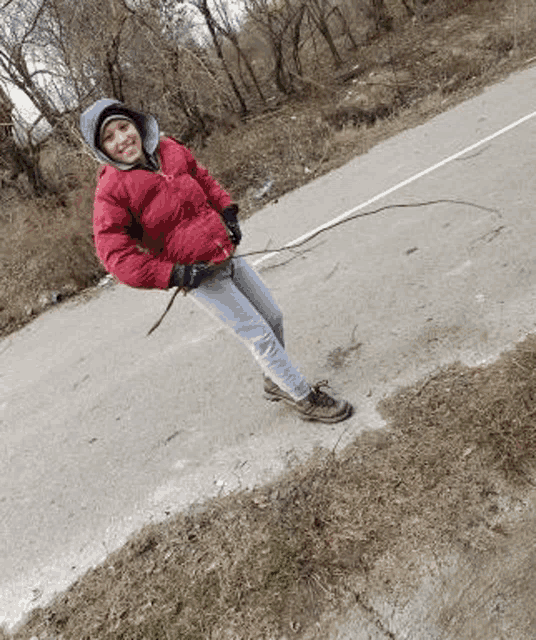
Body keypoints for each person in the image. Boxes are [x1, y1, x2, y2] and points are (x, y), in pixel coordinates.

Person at [79, 98, 353, 423]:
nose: (121, 139)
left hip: (225, 253)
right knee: (259, 335)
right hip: (199, 277)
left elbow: (201, 176)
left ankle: (276, 379)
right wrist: (174, 275)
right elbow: (116, 257)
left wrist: (227, 210)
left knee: (273, 318)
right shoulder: (111, 191)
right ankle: (303, 397)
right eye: (109, 137)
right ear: (102, 149)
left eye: (123, 127)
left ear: (136, 123)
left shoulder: (169, 148)